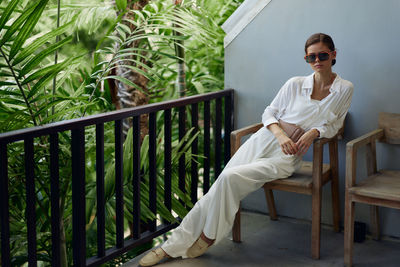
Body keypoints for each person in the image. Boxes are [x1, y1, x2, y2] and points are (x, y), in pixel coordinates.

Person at [139, 33, 354, 266]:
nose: (317, 60)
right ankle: (172, 247)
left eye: (322, 55)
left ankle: (208, 235)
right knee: (218, 186)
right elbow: (269, 113)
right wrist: (280, 135)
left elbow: (334, 124)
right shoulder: (295, 84)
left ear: (333, 55)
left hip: (287, 156)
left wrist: (313, 133)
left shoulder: (344, 89)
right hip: (264, 139)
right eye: (310, 57)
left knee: (229, 178)